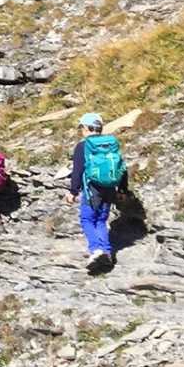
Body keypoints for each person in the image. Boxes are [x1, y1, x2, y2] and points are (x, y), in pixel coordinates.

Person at [69, 112, 128, 272]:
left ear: (86, 128)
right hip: (110, 188)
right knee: (101, 221)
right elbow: (122, 167)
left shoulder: (84, 146)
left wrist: (73, 191)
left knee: (87, 219)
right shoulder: (111, 144)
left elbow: (78, 170)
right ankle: (107, 254)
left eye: (82, 127)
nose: (82, 130)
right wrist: (122, 189)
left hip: (92, 189)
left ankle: (96, 250)